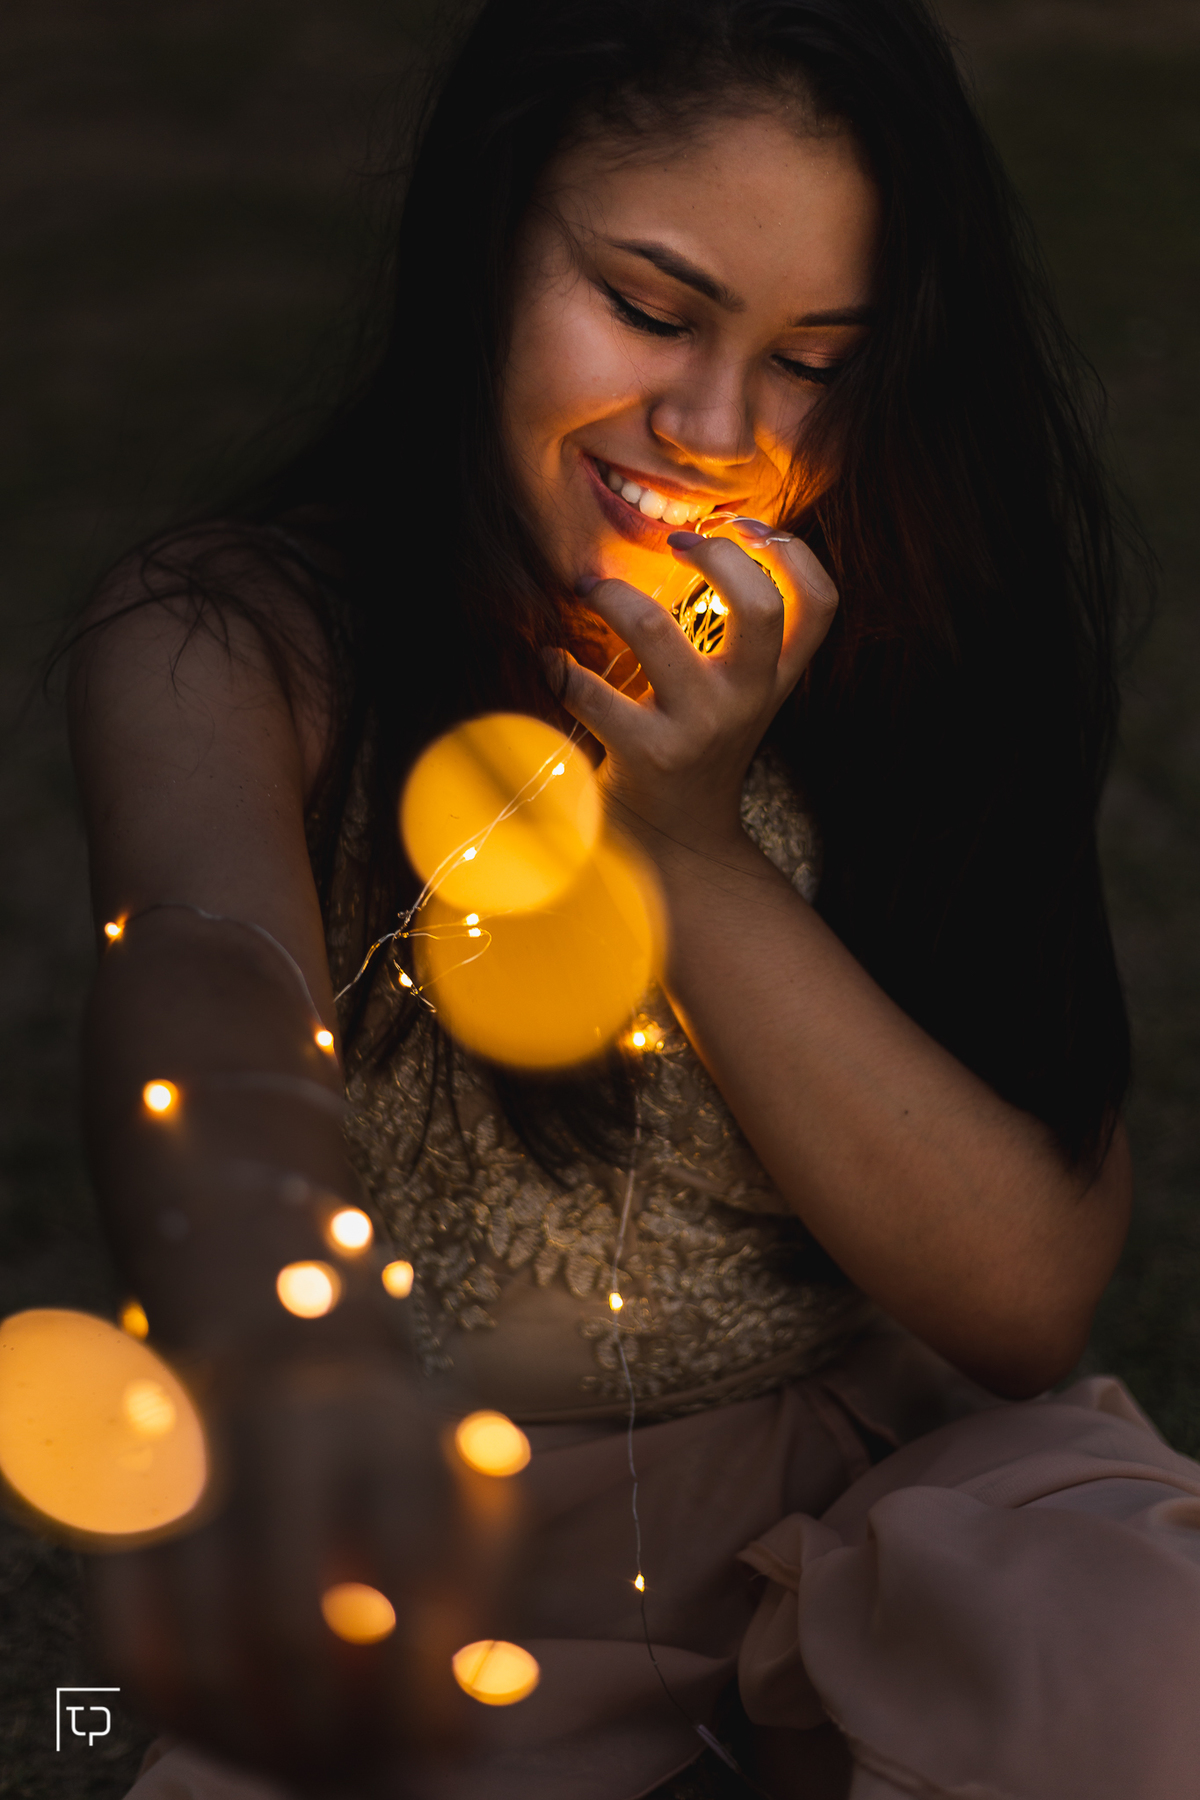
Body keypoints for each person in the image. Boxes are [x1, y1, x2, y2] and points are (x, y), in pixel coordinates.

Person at [67, 0, 1200, 1796]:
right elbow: (204, 975)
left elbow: (1024, 1296)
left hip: (876, 1489)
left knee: (1144, 1677)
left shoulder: (916, 647)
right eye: (652, 308)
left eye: (820, 358)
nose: (718, 422)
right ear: (485, 238)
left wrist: (686, 840)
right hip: (462, 1538)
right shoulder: (234, 640)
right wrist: (285, 1327)